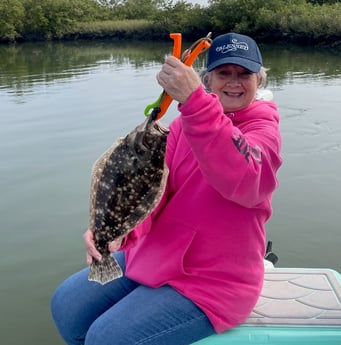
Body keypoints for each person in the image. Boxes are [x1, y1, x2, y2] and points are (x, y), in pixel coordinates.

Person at [51, 32, 282, 345]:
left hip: (216, 280)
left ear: (259, 80)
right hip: (156, 254)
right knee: (66, 306)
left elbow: (247, 177)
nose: (234, 82)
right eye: (224, 73)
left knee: (107, 338)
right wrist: (119, 232)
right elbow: (153, 193)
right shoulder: (182, 126)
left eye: (245, 74)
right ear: (208, 79)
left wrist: (196, 103)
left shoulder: (263, 130)